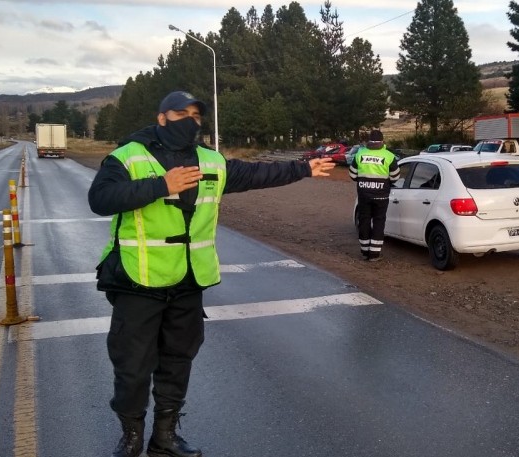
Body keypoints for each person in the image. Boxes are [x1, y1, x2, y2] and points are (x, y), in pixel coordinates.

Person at [88, 90, 335, 457]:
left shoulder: (211, 162)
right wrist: (162, 186)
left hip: (188, 282)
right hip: (138, 280)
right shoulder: (127, 157)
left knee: (177, 361)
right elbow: (100, 200)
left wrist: (303, 168)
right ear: (161, 118)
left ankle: (165, 436)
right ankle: (131, 436)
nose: (190, 120)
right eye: (181, 113)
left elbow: (255, 173)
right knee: (132, 366)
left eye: (196, 115)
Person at [348, 129, 399, 261]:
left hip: (364, 195)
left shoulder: (360, 155)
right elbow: (395, 177)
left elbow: (352, 175)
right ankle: (374, 254)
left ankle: (364, 251)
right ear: (382, 141)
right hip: (381, 196)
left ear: (369, 141)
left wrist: (363, 181)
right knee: (379, 221)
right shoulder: (389, 156)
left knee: (364, 220)